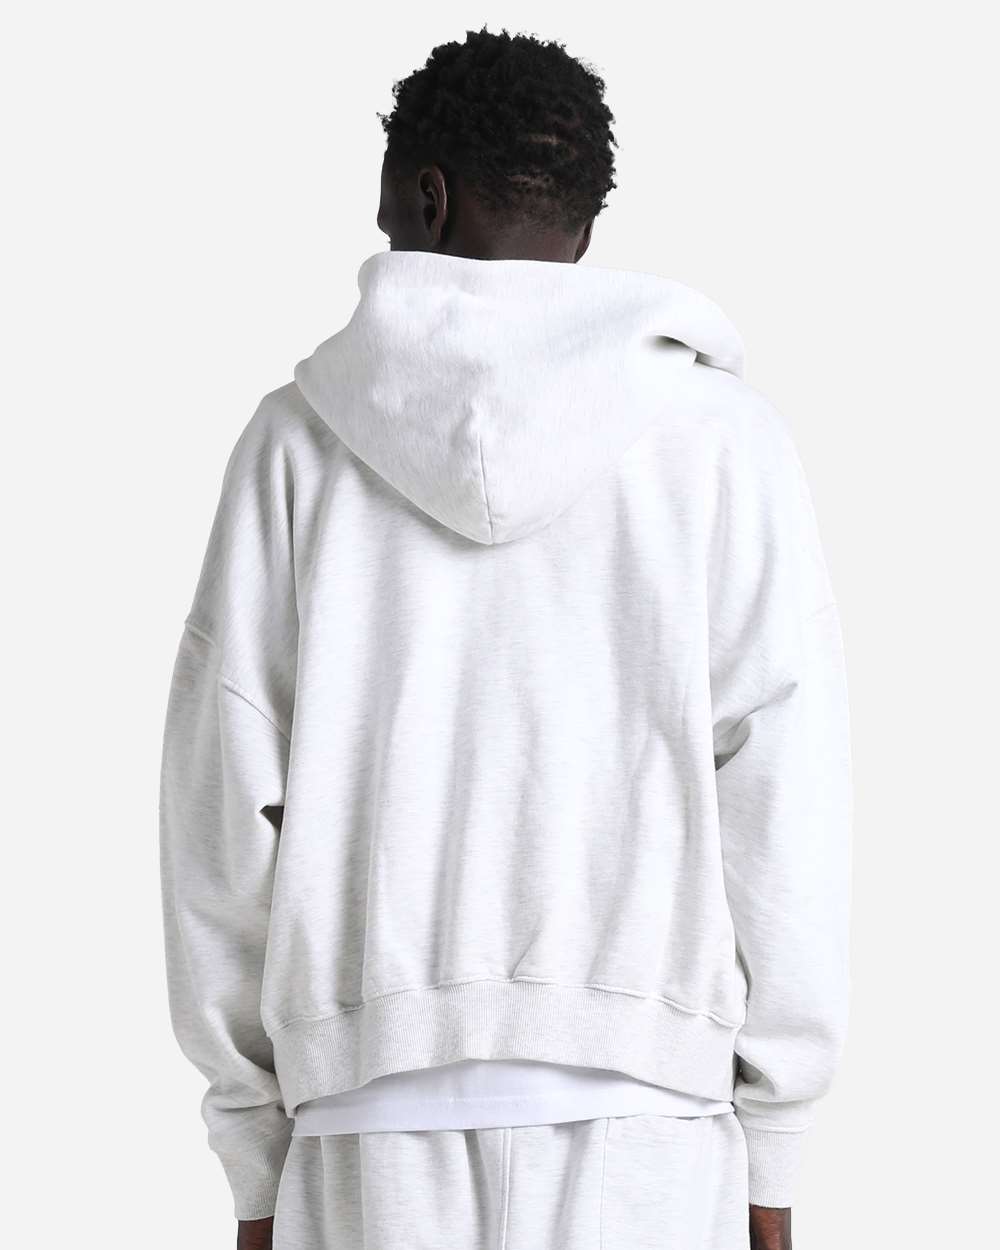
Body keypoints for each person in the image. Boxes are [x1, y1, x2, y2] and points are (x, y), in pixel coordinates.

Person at [158, 25, 851, 1250]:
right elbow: (784, 799)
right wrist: (778, 1134)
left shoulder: (293, 446)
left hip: (365, 1121)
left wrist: (252, 1152)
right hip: (652, 1122)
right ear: (580, 228)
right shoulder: (724, 443)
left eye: (386, 202)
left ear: (424, 194)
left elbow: (220, 811)